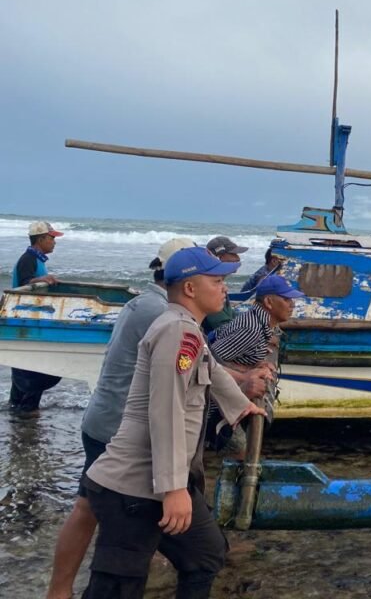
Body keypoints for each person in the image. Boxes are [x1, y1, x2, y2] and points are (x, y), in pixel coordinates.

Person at [80, 247, 265, 598]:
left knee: (205, 554)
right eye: (218, 280)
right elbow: (165, 409)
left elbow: (211, 370)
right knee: (117, 587)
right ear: (190, 289)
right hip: (133, 486)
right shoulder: (176, 331)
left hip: (157, 481)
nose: (225, 288)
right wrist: (174, 488)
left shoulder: (188, 329)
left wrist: (242, 408)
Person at [46, 237, 196, 599]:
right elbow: (196, 364)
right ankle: (61, 590)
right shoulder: (162, 313)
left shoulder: (143, 302)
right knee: (89, 508)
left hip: (101, 415)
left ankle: (65, 588)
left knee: (94, 507)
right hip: (115, 425)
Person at [207, 274, 304, 453]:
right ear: (268, 302)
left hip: (229, 399)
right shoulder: (251, 329)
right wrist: (245, 373)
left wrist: (257, 363)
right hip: (217, 406)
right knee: (242, 452)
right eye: (286, 299)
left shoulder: (262, 324)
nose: (292, 304)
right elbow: (210, 363)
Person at [9, 220, 64, 413]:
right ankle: (25, 415)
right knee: (30, 370)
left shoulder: (37, 260)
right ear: (40, 239)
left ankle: (19, 413)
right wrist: (41, 280)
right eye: (51, 238)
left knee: (25, 369)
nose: (54, 242)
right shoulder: (28, 259)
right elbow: (24, 284)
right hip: (25, 322)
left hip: (29, 321)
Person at [201, 236, 248, 334]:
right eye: (233, 254)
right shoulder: (211, 287)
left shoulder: (217, 282)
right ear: (220, 257)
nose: (238, 258)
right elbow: (222, 325)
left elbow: (230, 314)